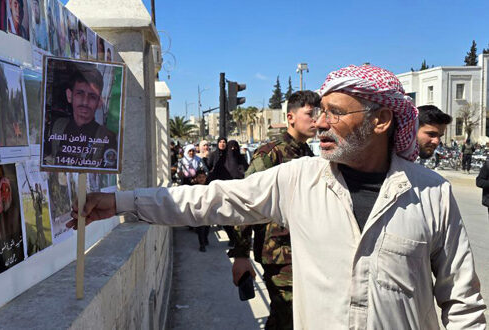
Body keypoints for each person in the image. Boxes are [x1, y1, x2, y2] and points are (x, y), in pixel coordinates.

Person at [70, 65, 486, 328]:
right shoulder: (297, 179)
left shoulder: (431, 193)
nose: (322, 123)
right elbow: (212, 200)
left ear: (381, 120)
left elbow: (463, 302)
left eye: (336, 113)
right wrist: (122, 202)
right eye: (320, 112)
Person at [229, 90, 319, 329]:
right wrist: (240, 255)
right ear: (290, 117)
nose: (316, 119)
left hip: (302, 251)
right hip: (278, 254)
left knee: (287, 319)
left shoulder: (308, 154)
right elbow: (244, 202)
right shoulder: (270, 154)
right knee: (291, 317)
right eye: (310, 113)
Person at [45, 65, 117, 168]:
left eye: (92, 96)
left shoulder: (107, 138)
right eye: (80, 93)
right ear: (69, 96)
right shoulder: (56, 127)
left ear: (99, 102)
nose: (85, 102)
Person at [206, 138, 248, 247]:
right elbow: (213, 173)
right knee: (225, 217)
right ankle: (232, 237)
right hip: (224, 193)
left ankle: (240, 241)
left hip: (239, 193)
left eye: (235, 147)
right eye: (231, 148)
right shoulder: (222, 160)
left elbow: (247, 172)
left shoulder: (241, 159)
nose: (233, 149)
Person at [192, 169, 210, 252]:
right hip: (198, 210)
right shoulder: (194, 188)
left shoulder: (208, 187)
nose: (202, 179)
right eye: (199, 177)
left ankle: (205, 239)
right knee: (201, 228)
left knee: (207, 227)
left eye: (203, 177)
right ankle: (202, 245)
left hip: (208, 210)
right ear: (196, 179)